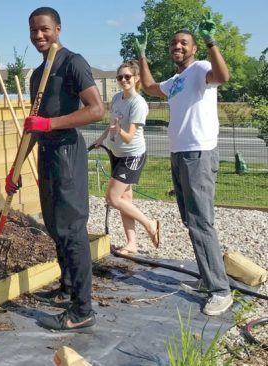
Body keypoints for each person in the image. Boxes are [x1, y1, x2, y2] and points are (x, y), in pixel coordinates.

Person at [5, 7, 105, 331]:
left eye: (45, 29)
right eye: (33, 31)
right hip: (46, 153)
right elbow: (34, 126)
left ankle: (82, 310)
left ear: (58, 29)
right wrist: (15, 168)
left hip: (66, 152)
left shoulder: (72, 63)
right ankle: (67, 289)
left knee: (72, 230)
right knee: (54, 226)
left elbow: (96, 110)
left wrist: (51, 123)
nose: (39, 36)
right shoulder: (37, 75)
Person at [134, 13, 233, 316]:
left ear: (193, 48)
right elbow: (149, 86)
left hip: (198, 153)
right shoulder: (176, 80)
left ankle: (221, 290)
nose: (177, 45)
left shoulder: (201, 68)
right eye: (174, 43)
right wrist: (141, 55)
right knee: (190, 220)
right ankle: (207, 278)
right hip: (180, 155)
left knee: (202, 221)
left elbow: (223, 76)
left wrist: (210, 41)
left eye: (184, 42)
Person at [91, 60, 160, 255]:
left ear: (136, 78)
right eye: (120, 77)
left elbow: (128, 137)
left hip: (132, 155)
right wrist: (102, 138)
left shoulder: (138, 104)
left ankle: (150, 224)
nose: (123, 80)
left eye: (127, 77)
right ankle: (132, 244)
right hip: (117, 154)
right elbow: (112, 124)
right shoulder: (116, 98)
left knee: (112, 198)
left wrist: (118, 130)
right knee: (125, 198)